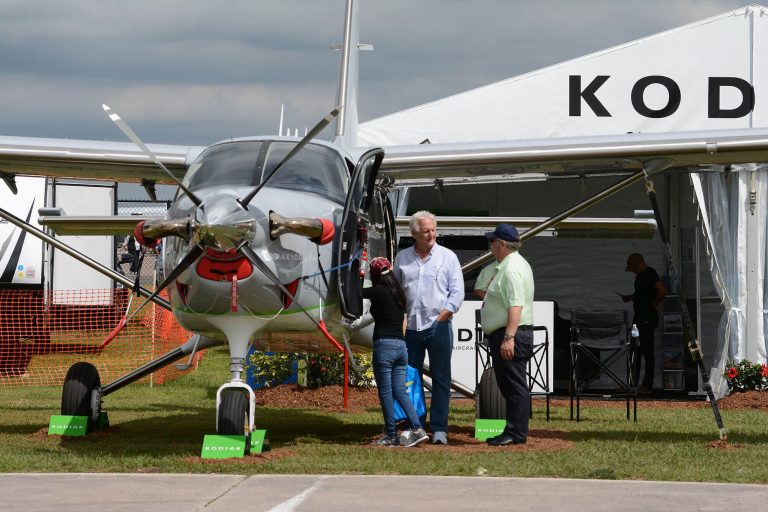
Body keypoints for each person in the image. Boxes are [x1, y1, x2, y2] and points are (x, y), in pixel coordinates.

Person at [394, 210, 464, 445]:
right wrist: (401, 319)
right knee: (409, 379)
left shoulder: (448, 257)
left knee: (441, 379)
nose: (432, 234)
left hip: (438, 326)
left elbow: (457, 292)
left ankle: (440, 429)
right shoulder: (402, 258)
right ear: (414, 233)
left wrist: (444, 314)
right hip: (410, 328)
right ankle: (414, 426)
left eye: (434, 229)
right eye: (426, 231)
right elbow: (396, 292)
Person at [363, 257, 429, 447]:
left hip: (384, 347)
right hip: (401, 347)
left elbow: (355, 292)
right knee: (400, 391)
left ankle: (390, 434)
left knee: (386, 393)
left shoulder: (378, 291)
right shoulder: (399, 294)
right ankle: (417, 428)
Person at [480, 223, 534, 446]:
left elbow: (515, 306)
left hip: (511, 333)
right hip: (508, 333)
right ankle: (512, 430)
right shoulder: (511, 265)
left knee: (514, 386)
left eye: (492, 241)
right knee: (510, 385)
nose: (490, 245)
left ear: (502, 244)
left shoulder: (511, 269)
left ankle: (516, 433)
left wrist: (509, 337)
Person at [621, 253, 668, 393]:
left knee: (647, 351)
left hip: (647, 318)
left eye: (635, 269)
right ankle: (633, 384)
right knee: (635, 349)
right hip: (639, 318)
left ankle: (647, 385)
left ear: (641, 264)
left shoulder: (650, 273)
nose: (634, 272)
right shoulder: (640, 275)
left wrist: (656, 303)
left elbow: (662, 290)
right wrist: (630, 297)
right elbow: (642, 293)